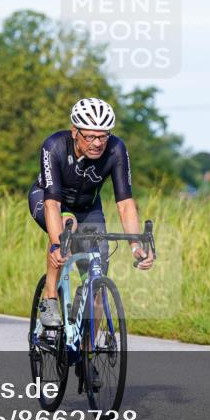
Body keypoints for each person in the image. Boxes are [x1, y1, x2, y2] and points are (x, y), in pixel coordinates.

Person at [28, 97, 155, 329]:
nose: (97, 143)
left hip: (88, 207)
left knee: (97, 278)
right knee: (67, 225)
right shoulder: (54, 146)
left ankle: (87, 355)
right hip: (49, 200)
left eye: (103, 136)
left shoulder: (116, 149)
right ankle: (50, 299)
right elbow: (52, 205)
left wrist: (136, 246)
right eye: (90, 136)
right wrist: (57, 246)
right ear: (74, 131)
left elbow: (125, 203)